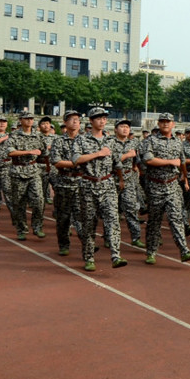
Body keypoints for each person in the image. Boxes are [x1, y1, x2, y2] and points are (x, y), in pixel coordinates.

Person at [74, 107, 126, 271]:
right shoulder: (81, 140)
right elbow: (76, 159)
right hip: (88, 185)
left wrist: (121, 179)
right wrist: (98, 153)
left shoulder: (112, 141)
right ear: (90, 121)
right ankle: (89, 257)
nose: (102, 121)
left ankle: (115, 255)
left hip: (107, 184)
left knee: (112, 220)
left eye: (104, 118)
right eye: (98, 118)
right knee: (89, 223)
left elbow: (117, 163)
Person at [140, 114, 190, 264]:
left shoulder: (178, 142)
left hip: (172, 185)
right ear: (158, 124)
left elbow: (182, 162)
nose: (165, 124)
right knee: (154, 221)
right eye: (163, 122)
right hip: (155, 186)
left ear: (173, 124)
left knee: (176, 218)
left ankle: (184, 250)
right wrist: (171, 161)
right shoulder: (150, 140)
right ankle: (151, 252)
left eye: (168, 122)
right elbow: (148, 159)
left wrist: (184, 177)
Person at [49, 110, 86, 258]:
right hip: (63, 183)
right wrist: (77, 162)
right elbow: (57, 162)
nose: (75, 122)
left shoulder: (86, 140)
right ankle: (63, 244)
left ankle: (86, 243)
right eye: (71, 119)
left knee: (81, 215)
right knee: (63, 217)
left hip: (82, 182)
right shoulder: (59, 141)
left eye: (77, 119)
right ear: (65, 123)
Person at [7, 111, 45, 241]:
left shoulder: (38, 136)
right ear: (20, 120)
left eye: (31, 118)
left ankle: (37, 226)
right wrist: (29, 151)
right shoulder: (14, 136)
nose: (29, 121)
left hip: (34, 170)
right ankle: (21, 229)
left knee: (39, 200)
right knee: (19, 203)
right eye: (26, 118)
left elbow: (44, 152)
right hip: (18, 171)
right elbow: (10, 152)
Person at [112, 118, 144, 248]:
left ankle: (136, 237)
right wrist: (126, 155)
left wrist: (136, 166)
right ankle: (110, 238)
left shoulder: (134, 143)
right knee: (112, 212)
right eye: (122, 126)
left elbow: (138, 158)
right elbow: (111, 160)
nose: (125, 129)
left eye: (127, 127)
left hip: (129, 179)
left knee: (131, 208)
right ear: (115, 129)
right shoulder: (110, 143)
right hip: (112, 180)